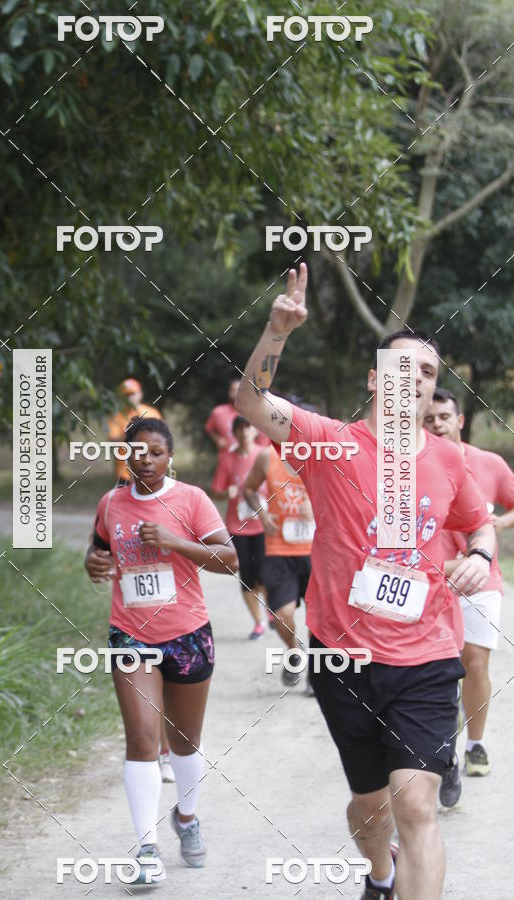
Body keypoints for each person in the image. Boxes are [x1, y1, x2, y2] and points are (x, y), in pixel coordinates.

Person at [235, 263, 496, 900]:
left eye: (430, 374)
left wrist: (483, 558)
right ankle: (380, 874)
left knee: (417, 806)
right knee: (371, 808)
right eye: (406, 370)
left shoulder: (449, 459)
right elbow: (249, 404)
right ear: (378, 380)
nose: (419, 383)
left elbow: (480, 525)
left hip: (429, 656)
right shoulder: (329, 444)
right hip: (343, 654)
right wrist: (275, 333)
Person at [85, 418, 238, 883]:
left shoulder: (191, 499)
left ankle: (187, 818)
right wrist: (93, 563)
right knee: (142, 740)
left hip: (187, 635)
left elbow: (229, 560)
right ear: (125, 456)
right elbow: (98, 551)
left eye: (155, 452)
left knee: (185, 742)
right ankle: (147, 847)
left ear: (170, 457)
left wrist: (175, 542)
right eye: (136, 451)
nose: (145, 459)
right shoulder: (111, 502)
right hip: (131, 634)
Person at [424, 387, 514, 792]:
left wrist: (499, 525)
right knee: (439, 671)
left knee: (475, 662)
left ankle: (475, 743)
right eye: (429, 419)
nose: (438, 424)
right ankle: (446, 754)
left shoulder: (489, 463)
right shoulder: (408, 467)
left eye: (444, 417)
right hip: (430, 580)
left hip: (481, 578)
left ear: (459, 421)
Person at [243, 443, 314, 685]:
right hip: (278, 550)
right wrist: (262, 514)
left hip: (317, 551)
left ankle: (316, 677)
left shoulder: (324, 454)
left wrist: (317, 507)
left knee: (320, 618)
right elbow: (249, 489)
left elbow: (346, 492)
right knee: (282, 615)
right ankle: (294, 651)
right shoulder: (267, 457)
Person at [210, 416, 268, 639]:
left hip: (263, 525)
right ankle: (259, 622)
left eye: (248, 427)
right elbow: (216, 490)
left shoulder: (264, 454)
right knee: (246, 577)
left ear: (256, 431)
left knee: (264, 575)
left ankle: (271, 610)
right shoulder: (227, 458)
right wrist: (227, 493)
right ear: (234, 433)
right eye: (240, 428)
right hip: (238, 527)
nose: (244, 432)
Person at [107, 379, 162, 486]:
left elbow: (162, 439)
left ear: (140, 394)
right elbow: (112, 440)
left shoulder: (152, 413)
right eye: (126, 395)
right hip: (125, 473)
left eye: (133, 394)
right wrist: (130, 433)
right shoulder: (117, 416)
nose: (130, 398)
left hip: (152, 471)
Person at [204, 378, 270, 458]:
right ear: (228, 392)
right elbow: (208, 427)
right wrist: (218, 439)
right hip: (227, 457)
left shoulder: (254, 412)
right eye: (233, 390)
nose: (236, 393)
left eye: (239, 390)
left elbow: (263, 436)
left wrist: (261, 453)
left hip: (251, 459)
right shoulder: (218, 412)